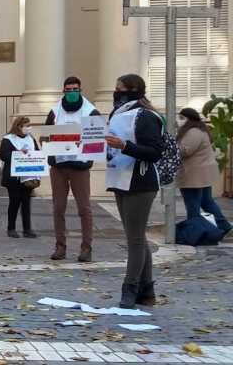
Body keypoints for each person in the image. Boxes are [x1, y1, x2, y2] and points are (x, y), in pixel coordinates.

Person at [104, 74, 164, 309]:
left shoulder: (147, 116)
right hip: (120, 179)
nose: (115, 92)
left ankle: (129, 290)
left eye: (119, 88)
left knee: (136, 239)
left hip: (141, 182)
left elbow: (154, 152)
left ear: (132, 90)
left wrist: (125, 146)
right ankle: (147, 290)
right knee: (136, 237)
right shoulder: (117, 114)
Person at [45, 77, 101, 262]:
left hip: (80, 167)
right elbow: (46, 136)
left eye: (75, 89)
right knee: (58, 207)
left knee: (84, 208)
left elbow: (96, 139)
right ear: (63, 90)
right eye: (68, 89)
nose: (71, 92)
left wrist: (87, 161)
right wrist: (51, 156)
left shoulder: (90, 111)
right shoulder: (54, 111)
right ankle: (60, 246)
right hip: (59, 166)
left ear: (80, 89)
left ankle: (87, 247)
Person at [175, 107, 232, 242]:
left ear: (189, 119)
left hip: (194, 175)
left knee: (193, 205)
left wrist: (171, 147)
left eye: (182, 118)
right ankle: (224, 226)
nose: (179, 121)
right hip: (202, 174)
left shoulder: (193, 132)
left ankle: (194, 234)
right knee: (207, 202)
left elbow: (185, 151)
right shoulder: (200, 130)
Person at [0, 116, 40, 239]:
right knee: (14, 202)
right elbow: (4, 155)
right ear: (19, 127)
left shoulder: (31, 139)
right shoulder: (8, 139)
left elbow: (37, 152)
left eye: (29, 125)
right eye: (26, 126)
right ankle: (11, 228)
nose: (29, 128)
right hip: (13, 178)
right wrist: (19, 153)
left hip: (28, 177)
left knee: (26, 203)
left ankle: (27, 229)